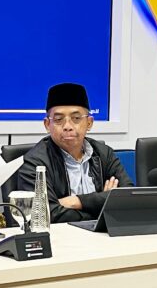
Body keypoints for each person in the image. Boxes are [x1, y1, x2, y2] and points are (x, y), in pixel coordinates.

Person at [16, 82, 132, 223]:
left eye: (76, 118)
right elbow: (46, 214)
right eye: (58, 120)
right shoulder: (34, 162)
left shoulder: (104, 154)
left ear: (89, 123)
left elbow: (128, 197)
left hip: (104, 235)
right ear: (47, 125)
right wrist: (103, 203)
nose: (67, 126)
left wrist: (76, 201)